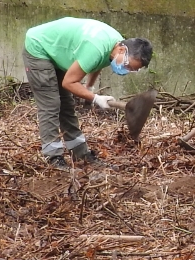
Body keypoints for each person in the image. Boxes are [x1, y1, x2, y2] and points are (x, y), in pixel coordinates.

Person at [22, 18, 152, 167]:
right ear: (122, 50)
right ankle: (53, 158)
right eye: (128, 65)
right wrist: (96, 98)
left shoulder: (114, 46)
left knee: (66, 105)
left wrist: (88, 87)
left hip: (57, 50)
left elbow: (98, 63)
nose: (127, 70)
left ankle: (80, 153)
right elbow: (69, 82)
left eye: (132, 70)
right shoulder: (96, 48)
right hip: (39, 47)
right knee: (51, 104)